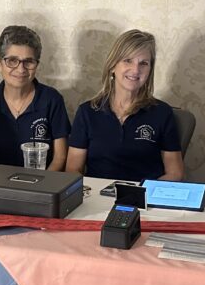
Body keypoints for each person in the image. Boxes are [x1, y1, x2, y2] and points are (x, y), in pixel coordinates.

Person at [66, 29, 185, 182]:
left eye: (143, 63)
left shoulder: (162, 113)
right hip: (97, 199)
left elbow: (175, 173)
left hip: (144, 200)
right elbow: (72, 169)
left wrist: (141, 195)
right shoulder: (87, 112)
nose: (135, 70)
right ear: (113, 66)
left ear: (150, 70)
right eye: (128, 60)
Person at [0, 25, 70, 170]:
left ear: (37, 64)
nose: (21, 69)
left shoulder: (52, 99)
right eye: (12, 60)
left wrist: (42, 186)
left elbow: (60, 157)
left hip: (41, 184)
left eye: (28, 61)